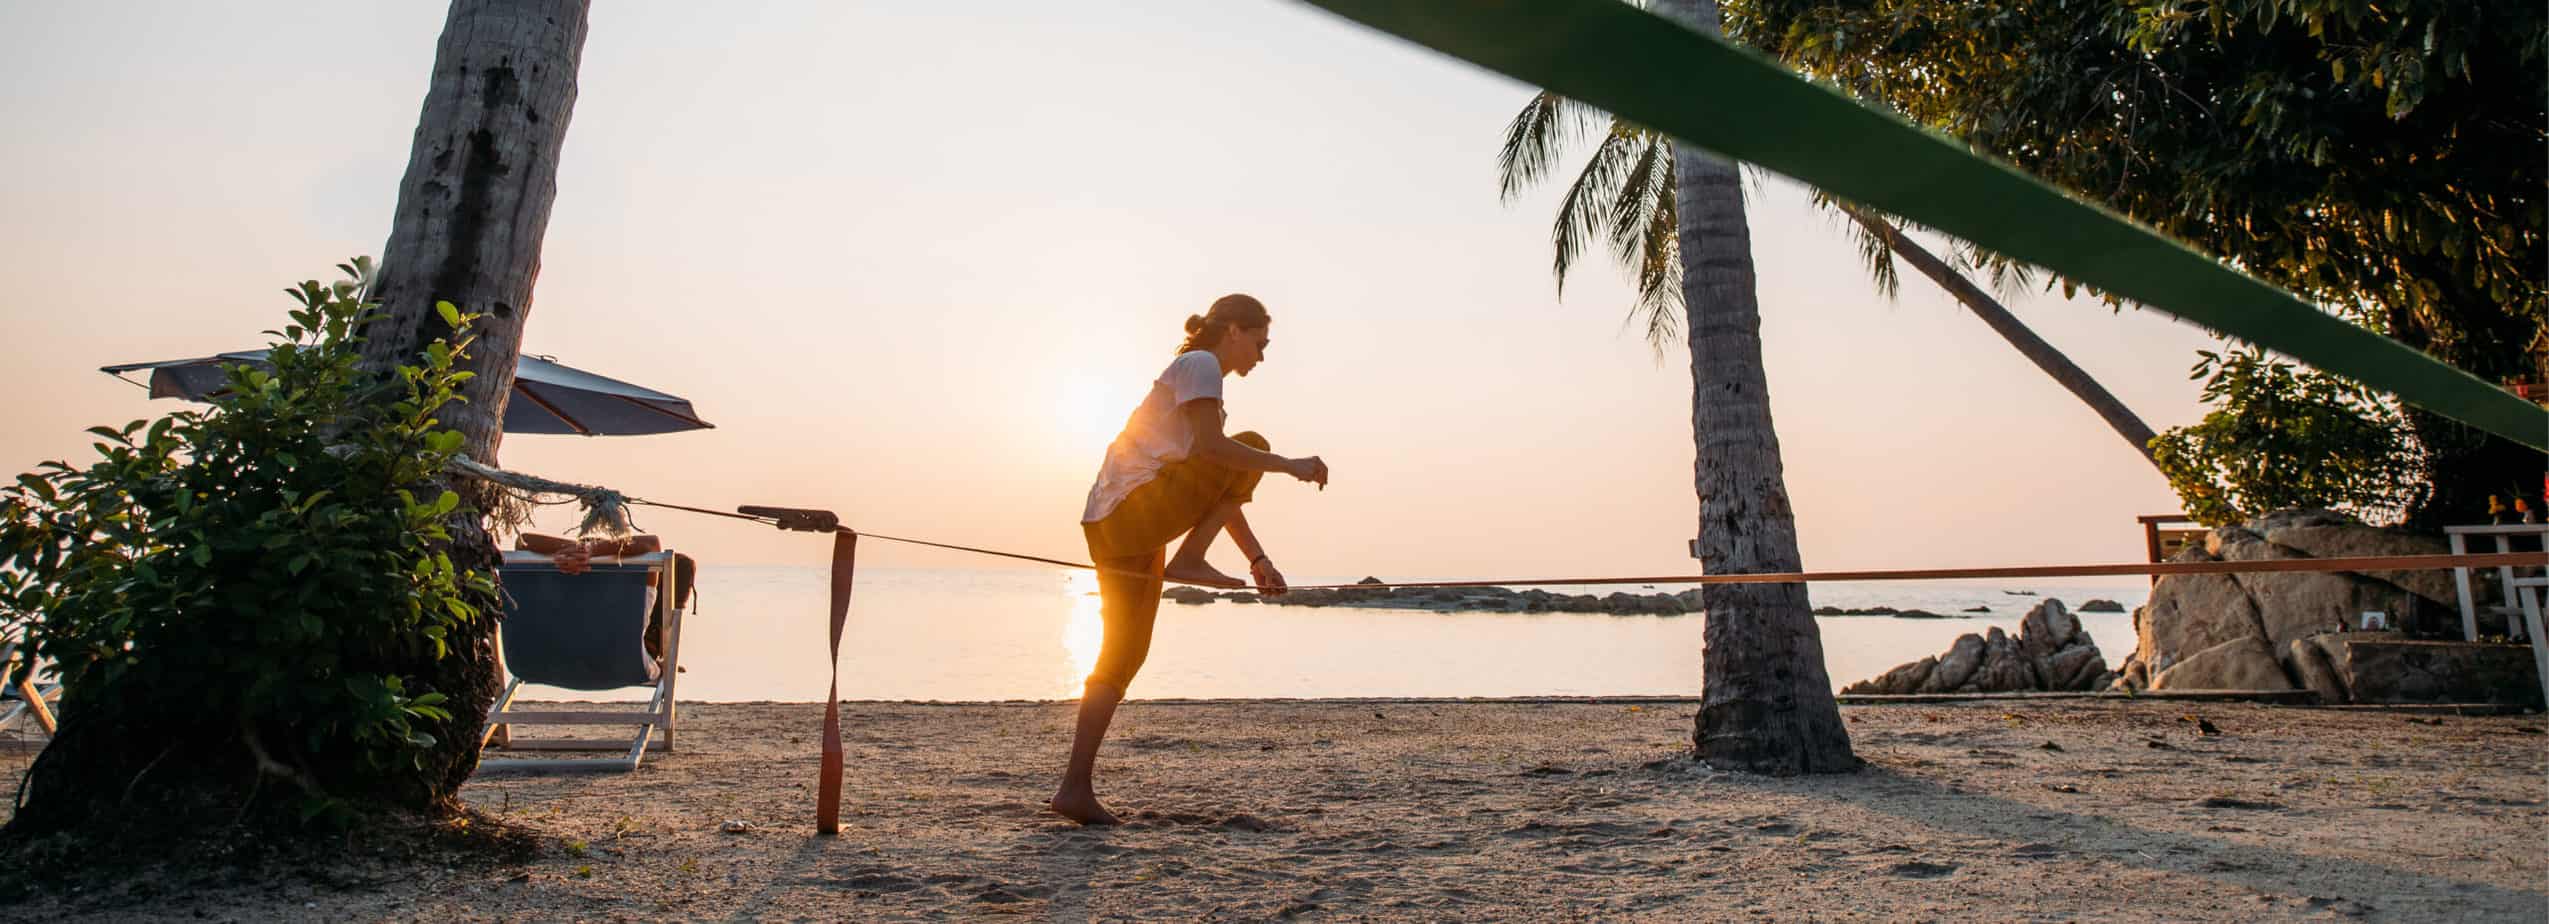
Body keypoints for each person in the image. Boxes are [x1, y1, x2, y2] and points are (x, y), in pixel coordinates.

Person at [1051, 293, 1329, 825]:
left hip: (1117, 525)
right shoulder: (1201, 365)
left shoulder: (1198, 377)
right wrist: (1288, 464)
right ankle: (1191, 557)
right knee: (1252, 443)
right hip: (1133, 515)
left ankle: (1074, 788)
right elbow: (1213, 450)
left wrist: (1257, 559)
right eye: (1260, 343)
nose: (1261, 358)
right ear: (1233, 331)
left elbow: (1214, 480)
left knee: (1124, 655)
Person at [515, 532, 697, 661]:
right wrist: (592, 550)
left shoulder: (561, 593)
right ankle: (652, 643)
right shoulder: (626, 656)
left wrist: (576, 550)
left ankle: (651, 643)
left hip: (541, 660)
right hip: (625, 663)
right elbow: (651, 544)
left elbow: (523, 541)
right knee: (682, 566)